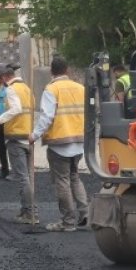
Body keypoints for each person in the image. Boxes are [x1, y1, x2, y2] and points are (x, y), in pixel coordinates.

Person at [29, 57, 89, 232]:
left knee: (62, 180)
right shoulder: (80, 88)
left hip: (60, 144)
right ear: (67, 70)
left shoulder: (52, 89)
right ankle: (85, 215)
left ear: (51, 72)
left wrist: (34, 135)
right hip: (78, 141)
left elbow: (46, 116)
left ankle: (68, 222)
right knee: (74, 177)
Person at [0, 63, 36, 224]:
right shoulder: (27, 88)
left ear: (5, 77)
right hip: (28, 135)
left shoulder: (11, 89)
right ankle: (30, 210)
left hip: (16, 136)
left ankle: (29, 213)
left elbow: (16, 109)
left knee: (23, 178)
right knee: (27, 177)